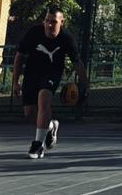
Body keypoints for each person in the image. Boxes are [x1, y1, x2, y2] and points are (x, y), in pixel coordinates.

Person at [12, 8, 89, 159]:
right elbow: (19, 56)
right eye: (47, 21)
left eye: (53, 21)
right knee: (29, 113)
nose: (49, 25)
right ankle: (50, 126)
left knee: (44, 98)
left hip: (52, 73)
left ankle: (38, 145)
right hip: (32, 73)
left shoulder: (66, 38)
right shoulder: (34, 33)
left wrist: (85, 84)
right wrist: (15, 81)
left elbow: (77, 63)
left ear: (62, 22)